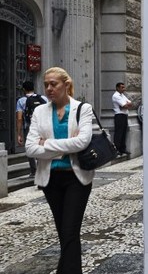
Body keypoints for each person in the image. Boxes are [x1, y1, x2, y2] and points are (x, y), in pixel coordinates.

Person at [25, 67, 94, 274]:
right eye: (46, 84)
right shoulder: (39, 111)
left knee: (70, 230)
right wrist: (65, 147)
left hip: (77, 178)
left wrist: (47, 145)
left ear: (66, 84)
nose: (48, 88)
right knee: (64, 233)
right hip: (51, 179)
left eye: (53, 84)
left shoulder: (83, 108)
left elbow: (82, 142)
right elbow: (30, 148)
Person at [15, 80, 48, 177]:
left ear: (24, 90)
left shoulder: (21, 101)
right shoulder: (43, 98)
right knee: (41, 147)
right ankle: (42, 169)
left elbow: (20, 118)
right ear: (33, 88)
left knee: (30, 148)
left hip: (29, 127)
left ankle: (34, 171)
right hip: (43, 127)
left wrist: (19, 134)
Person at [111, 82, 132, 156]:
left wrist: (126, 105)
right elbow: (124, 105)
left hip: (124, 115)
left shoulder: (122, 95)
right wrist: (125, 105)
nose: (124, 89)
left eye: (124, 87)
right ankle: (117, 149)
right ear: (117, 88)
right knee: (119, 133)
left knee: (123, 133)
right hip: (119, 115)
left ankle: (122, 149)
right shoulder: (116, 96)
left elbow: (130, 103)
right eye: (122, 87)